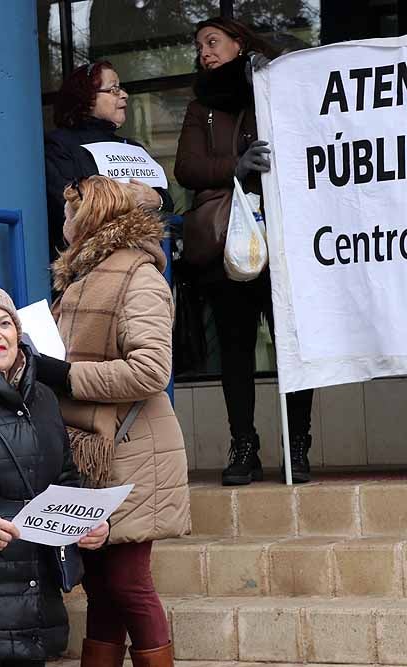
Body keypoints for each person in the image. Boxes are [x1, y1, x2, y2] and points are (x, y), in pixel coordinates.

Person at [46, 175, 188, 667]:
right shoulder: (82, 275)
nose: (61, 222)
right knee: (103, 586)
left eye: (68, 213)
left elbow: (151, 370)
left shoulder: (138, 275)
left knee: (129, 583)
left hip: (133, 451)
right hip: (95, 449)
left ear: (88, 218)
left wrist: (64, 375)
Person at [0, 285, 109, 667]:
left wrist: (87, 522)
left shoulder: (42, 397)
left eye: (5, 322)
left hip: (38, 588)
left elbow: (64, 477)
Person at [174, 16, 313, 485]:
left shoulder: (276, 89)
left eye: (213, 42)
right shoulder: (201, 108)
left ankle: (297, 446)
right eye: (199, 46)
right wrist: (235, 165)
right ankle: (244, 447)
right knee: (235, 353)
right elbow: (187, 168)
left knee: (292, 348)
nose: (204, 52)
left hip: (286, 239)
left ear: (239, 44)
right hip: (226, 244)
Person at [44, 61, 173, 262]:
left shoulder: (133, 147)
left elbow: (167, 199)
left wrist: (157, 200)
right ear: (87, 97)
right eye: (113, 89)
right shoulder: (59, 144)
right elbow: (66, 202)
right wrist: (123, 199)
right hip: (90, 261)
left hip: (144, 260)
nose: (124, 95)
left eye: (120, 88)